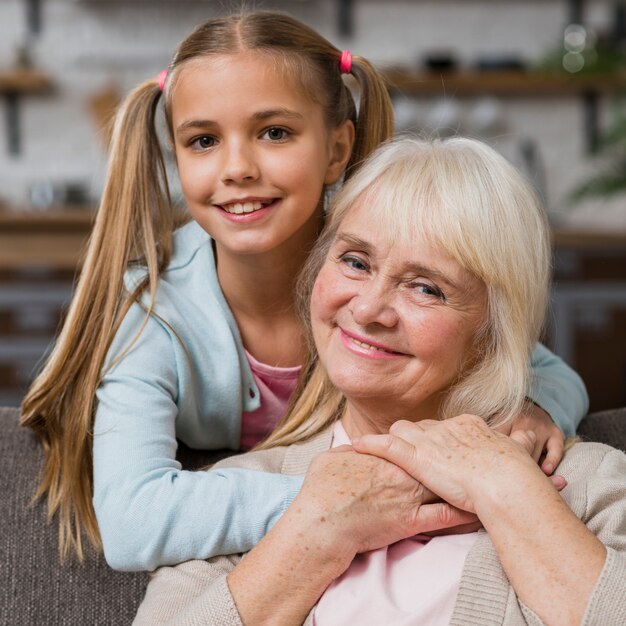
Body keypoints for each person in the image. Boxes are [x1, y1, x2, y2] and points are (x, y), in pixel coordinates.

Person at [20, 11, 587, 572]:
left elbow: (545, 371)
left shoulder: (365, 282)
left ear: (337, 150)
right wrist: (350, 502)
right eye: (203, 140)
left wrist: (541, 411)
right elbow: (133, 522)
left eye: (274, 133)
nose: (236, 167)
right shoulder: (153, 312)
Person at [134, 136, 626, 626]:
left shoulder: (589, 485)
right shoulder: (236, 497)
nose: (367, 309)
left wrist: (509, 490)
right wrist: (315, 532)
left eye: (425, 288)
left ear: (493, 331)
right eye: (355, 262)